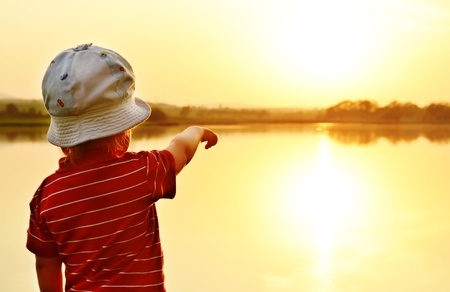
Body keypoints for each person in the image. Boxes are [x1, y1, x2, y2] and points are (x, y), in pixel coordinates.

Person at [26, 43, 218, 291]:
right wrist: (197, 130)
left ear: (65, 138)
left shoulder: (47, 196)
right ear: (123, 130)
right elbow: (181, 149)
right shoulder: (143, 171)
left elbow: (46, 264)